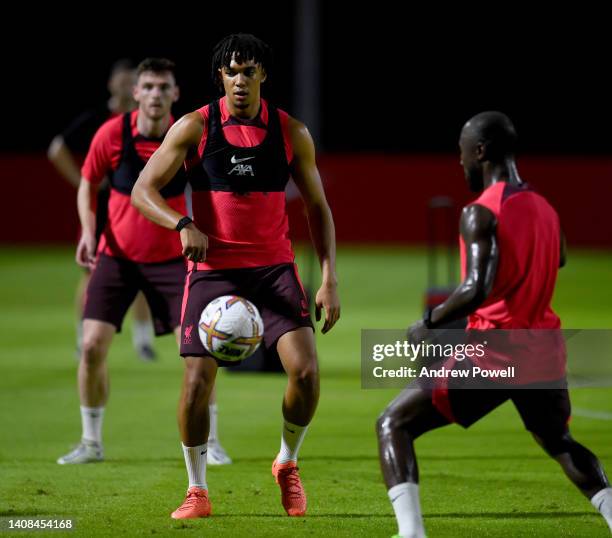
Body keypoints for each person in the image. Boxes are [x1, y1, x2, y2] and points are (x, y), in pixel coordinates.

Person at [132, 33, 340, 519]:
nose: (240, 80)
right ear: (219, 77)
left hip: (273, 271)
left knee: (307, 374)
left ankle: (287, 463)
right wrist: (182, 223)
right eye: (231, 71)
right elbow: (144, 190)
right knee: (195, 384)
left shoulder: (291, 132)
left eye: (249, 71)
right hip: (213, 272)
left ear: (263, 75)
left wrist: (329, 277)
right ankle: (197, 491)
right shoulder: (194, 127)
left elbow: (318, 208)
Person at [376, 111, 612, 538]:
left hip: (495, 350)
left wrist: (427, 321)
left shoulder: (480, 212)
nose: (460, 161)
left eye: (462, 152)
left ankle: (411, 533)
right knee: (559, 442)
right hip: (544, 350)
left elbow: (476, 288)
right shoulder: (545, 206)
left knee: (393, 423)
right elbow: (557, 258)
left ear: (480, 151)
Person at [57, 58, 232, 467]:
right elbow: (87, 182)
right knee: (92, 346)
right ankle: (91, 442)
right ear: (135, 93)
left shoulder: (187, 136)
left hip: (173, 261)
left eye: (163, 87)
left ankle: (214, 441)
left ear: (175, 94)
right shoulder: (112, 133)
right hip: (115, 257)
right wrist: (87, 230)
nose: (155, 94)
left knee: (198, 353)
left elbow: (214, 189)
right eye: (148, 86)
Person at [48, 59, 157, 361]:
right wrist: (86, 181)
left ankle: (143, 342)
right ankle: (84, 339)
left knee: (141, 273)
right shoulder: (96, 118)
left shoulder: (145, 119)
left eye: (130, 81)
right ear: (111, 84)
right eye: (121, 81)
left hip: (134, 209)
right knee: (90, 273)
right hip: (100, 209)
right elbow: (57, 149)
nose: (125, 86)